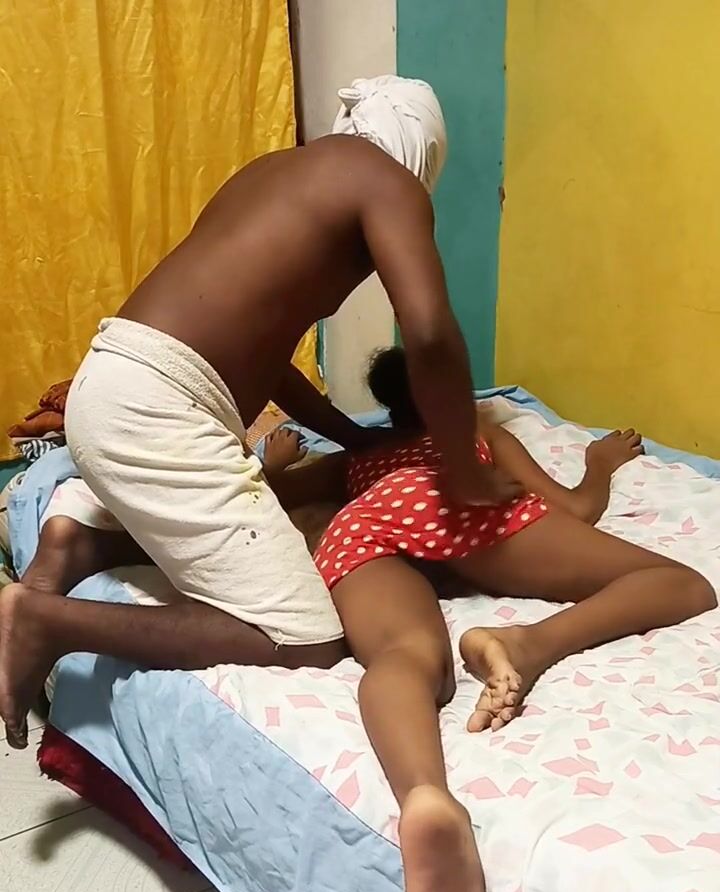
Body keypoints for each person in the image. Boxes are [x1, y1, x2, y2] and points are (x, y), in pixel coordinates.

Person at [2, 73, 508, 744]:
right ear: (422, 151)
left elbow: (266, 359)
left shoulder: (274, 175)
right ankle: (48, 622)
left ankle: (83, 542)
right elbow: (432, 335)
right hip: (158, 408)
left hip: (114, 378)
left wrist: (349, 436)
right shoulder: (388, 182)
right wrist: (463, 472)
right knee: (304, 636)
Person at [301, 346, 715, 892]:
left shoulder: (361, 457)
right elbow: (577, 509)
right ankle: (527, 645)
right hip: (446, 499)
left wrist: (284, 461)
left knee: (407, 658)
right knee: (681, 584)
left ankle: (425, 794)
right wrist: (600, 464)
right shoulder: (479, 437)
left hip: (364, 522)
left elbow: (278, 485)